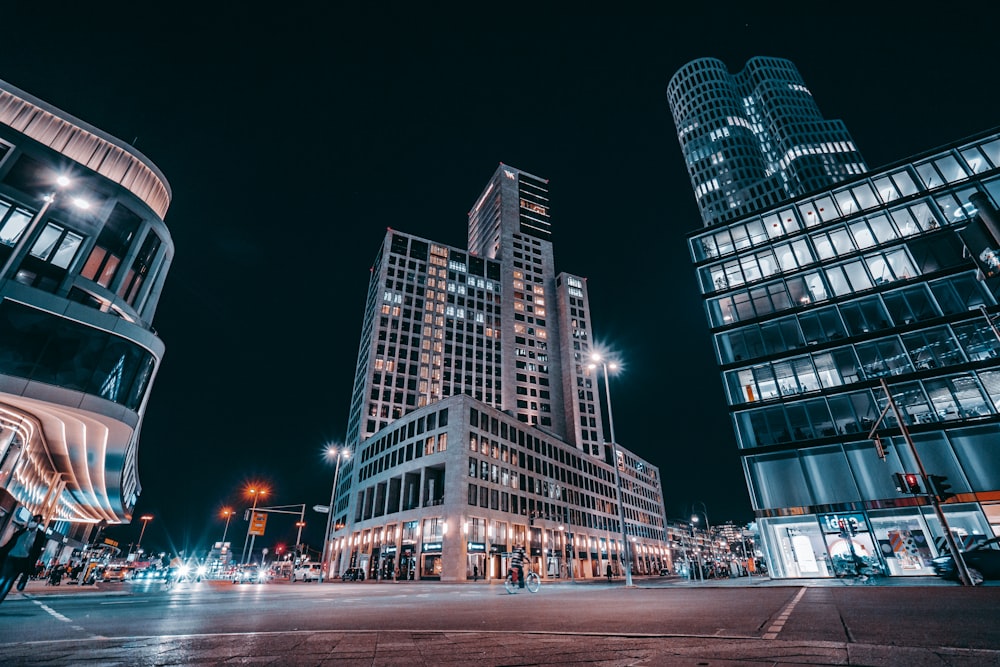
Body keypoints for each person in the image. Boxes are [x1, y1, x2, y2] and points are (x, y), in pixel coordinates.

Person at [0, 513, 47, 603]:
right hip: (10, 557)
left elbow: (36, 552)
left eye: (36, 521)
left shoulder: (40, 536)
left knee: (9, 580)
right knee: (2, 578)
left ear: (39, 523)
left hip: (22, 560)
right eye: (33, 520)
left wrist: (30, 566)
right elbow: (10, 544)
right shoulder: (22, 531)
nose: (33, 522)